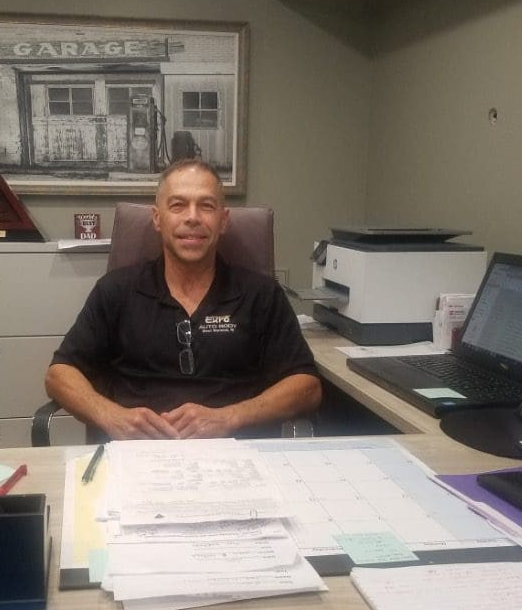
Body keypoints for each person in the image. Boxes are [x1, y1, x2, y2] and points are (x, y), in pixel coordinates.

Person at [45, 158, 321, 440]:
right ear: (157, 218)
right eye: (178, 205)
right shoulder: (116, 290)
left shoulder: (261, 295)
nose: (192, 217)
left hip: (235, 456)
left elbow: (306, 387)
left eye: (206, 205)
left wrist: (230, 417)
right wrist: (113, 417)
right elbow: (59, 375)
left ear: (223, 220)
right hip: (135, 456)